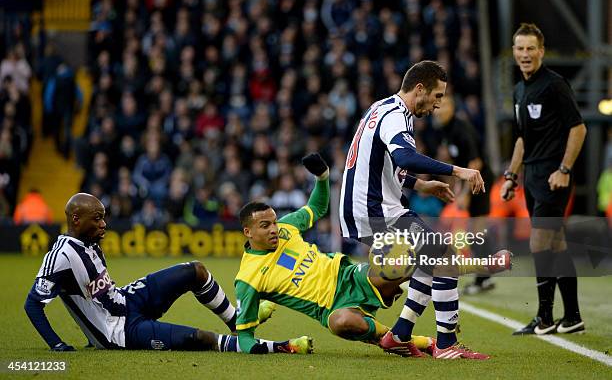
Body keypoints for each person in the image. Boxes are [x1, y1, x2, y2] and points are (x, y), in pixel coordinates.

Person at [235, 153, 510, 357]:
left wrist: (321, 177)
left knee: (414, 259)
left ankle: (479, 266)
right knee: (342, 323)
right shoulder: (247, 278)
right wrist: (273, 349)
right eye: (265, 225)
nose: (274, 228)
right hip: (330, 309)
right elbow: (244, 336)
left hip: (351, 276)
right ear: (248, 232)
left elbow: (316, 208)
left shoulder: (286, 228)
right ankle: (404, 340)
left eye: (273, 222)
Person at [339, 60, 509, 359]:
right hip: (375, 210)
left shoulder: (383, 107)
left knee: (431, 260)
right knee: (445, 258)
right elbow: (404, 157)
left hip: (369, 207)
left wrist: (421, 185)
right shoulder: (396, 116)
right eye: (437, 96)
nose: (437, 104)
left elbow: (385, 164)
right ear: (420, 89)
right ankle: (446, 344)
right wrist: (459, 171)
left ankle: (400, 335)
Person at [24, 192, 311, 353]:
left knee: (195, 271)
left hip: (127, 301)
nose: (103, 224)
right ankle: (279, 347)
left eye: (104, 217)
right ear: (76, 219)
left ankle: (236, 321)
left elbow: (96, 294)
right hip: (118, 332)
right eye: (97, 218)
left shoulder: (88, 243)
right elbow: (33, 304)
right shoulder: (60, 256)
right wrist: (57, 344)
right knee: (201, 339)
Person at [501, 23, 587, 335]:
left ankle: (544, 317)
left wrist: (563, 170)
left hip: (554, 178)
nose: (525, 54)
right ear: (513, 52)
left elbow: (578, 129)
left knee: (539, 242)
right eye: (519, 49)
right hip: (532, 178)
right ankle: (573, 316)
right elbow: (522, 139)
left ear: (541, 51)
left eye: (530, 48)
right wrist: (511, 175)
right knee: (556, 243)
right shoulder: (519, 89)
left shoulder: (555, 85)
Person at [431, 94, 496, 295]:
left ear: (452, 108)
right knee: (474, 233)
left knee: (476, 232)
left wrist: (466, 192)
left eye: (445, 106)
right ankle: (485, 275)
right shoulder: (445, 130)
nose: (440, 110)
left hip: (480, 181)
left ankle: (484, 276)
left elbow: (475, 162)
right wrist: (459, 187)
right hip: (470, 180)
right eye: (438, 107)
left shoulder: (461, 128)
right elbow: (460, 162)